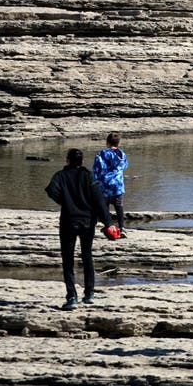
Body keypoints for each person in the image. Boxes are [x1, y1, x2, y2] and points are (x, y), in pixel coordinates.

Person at [45, 147, 112, 310]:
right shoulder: (88, 176)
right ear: (82, 161)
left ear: (67, 160)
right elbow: (99, 201)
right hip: (88, 222)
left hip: (68, 221)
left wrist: (64, 201)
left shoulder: (60, 176)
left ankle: (72, 296)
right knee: (87, 256)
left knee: (68, 259)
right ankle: (89, 294)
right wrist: (108, 222)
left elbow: (51, 191)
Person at [92, 132, 128, 237]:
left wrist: (95, 181)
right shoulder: (122, 154)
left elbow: (96, 169)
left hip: (104, 185)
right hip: (117, 185)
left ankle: (108, 226)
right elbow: (125, 166)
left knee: (105, 206)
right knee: (119, 206)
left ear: (107, 142)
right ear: (119, 143)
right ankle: (122, 228)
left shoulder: (101, 154)